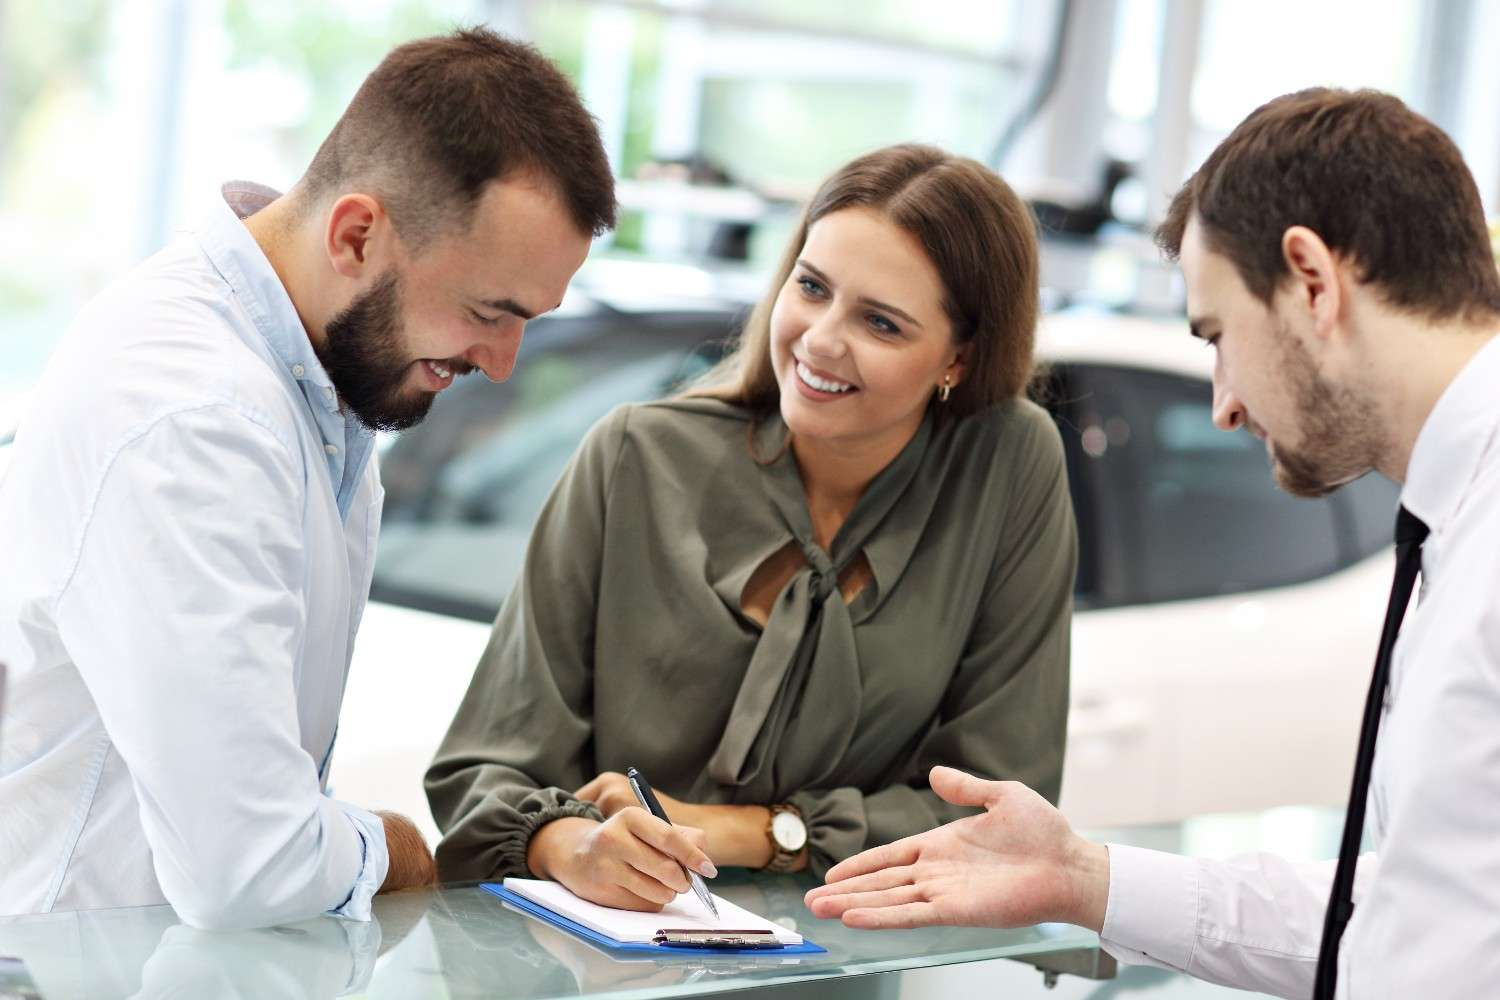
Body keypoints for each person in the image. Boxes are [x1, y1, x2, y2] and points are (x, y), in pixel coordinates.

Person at [806, 88, 1500, 998]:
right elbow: (1415, 920)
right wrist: (1088, 879)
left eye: (1219, 336)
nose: (1225, 403)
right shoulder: (1458, 522)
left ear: (1312, 283)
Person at [0, 28, 615, 929]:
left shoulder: (317, 376)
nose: (506, 361)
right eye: (491, 311)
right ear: (356, 232)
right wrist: (399, 845)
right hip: (64, 960)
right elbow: (249, 866)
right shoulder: (200, 414)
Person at [425, 143, 1076, 911]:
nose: (821, 338)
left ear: (958, 358)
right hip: (605, 958)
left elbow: (997, 815)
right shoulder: (638, 455)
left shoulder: (1006, 464)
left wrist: (754, 833)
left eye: (881, 323)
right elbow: (482, 769)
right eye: (812, 286)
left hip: (838, 968)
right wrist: (573, 844)